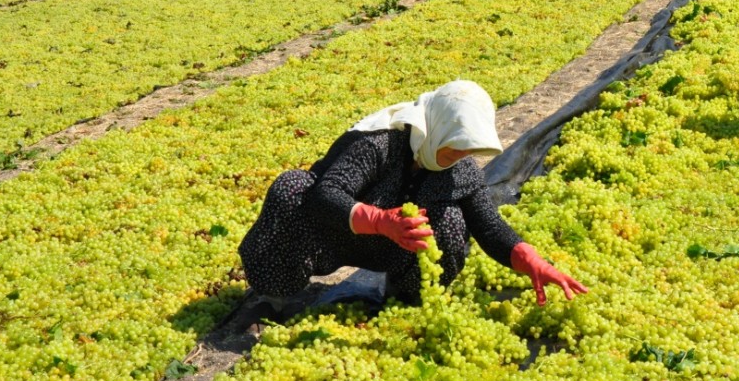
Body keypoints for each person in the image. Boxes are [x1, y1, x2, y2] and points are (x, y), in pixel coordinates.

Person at [239, 80, 588, 308]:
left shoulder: (459, 169)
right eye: (455, 145)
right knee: (293, 188)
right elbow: (326, 194)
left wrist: (530, 260)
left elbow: (489, 226)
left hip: (392, 248)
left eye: (467, 148)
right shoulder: (380, 143)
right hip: (328, 234)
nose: (460, 156)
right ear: (436, 127)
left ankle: (404, 299)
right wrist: (379, 220)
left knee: (451, 223)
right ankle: (273, 297)